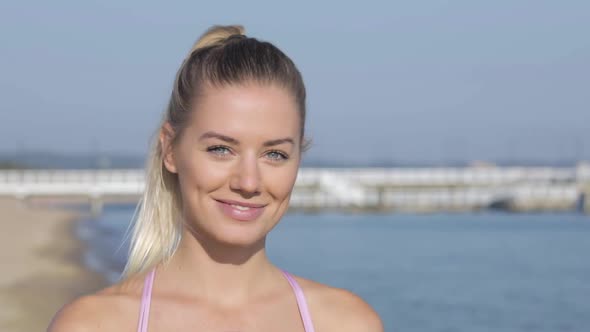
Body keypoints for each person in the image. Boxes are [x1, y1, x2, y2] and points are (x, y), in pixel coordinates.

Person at [48, 25, 384, 332]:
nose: (249, 182)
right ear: (170, 151)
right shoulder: (94, 325)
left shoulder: (347, 323)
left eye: (275, 154)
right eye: (221, 149)